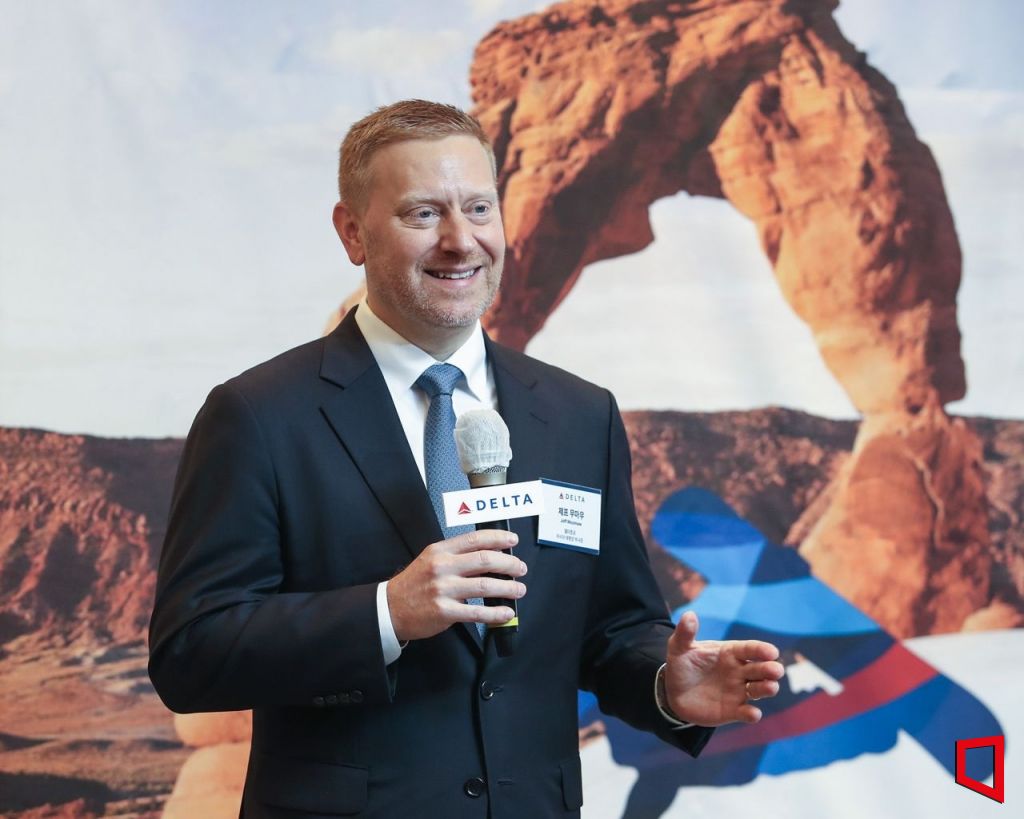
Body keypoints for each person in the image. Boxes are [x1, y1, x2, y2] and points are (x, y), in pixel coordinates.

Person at [148, 99, 783, 819]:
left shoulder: (580, 414)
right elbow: (191, 654)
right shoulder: (260, 415)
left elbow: (611, 626)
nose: (460, 241)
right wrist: (388, 612)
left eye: (479, 208)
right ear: (352, 232)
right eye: (423, 214)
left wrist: (664, 686)